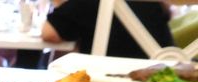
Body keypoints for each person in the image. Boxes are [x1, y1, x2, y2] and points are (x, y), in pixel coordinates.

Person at [41, 0, 174, 59]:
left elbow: (49, 33)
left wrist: (58, 3)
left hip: (109, 81)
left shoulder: (85, 2)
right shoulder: (156, 3)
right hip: (165, 74)